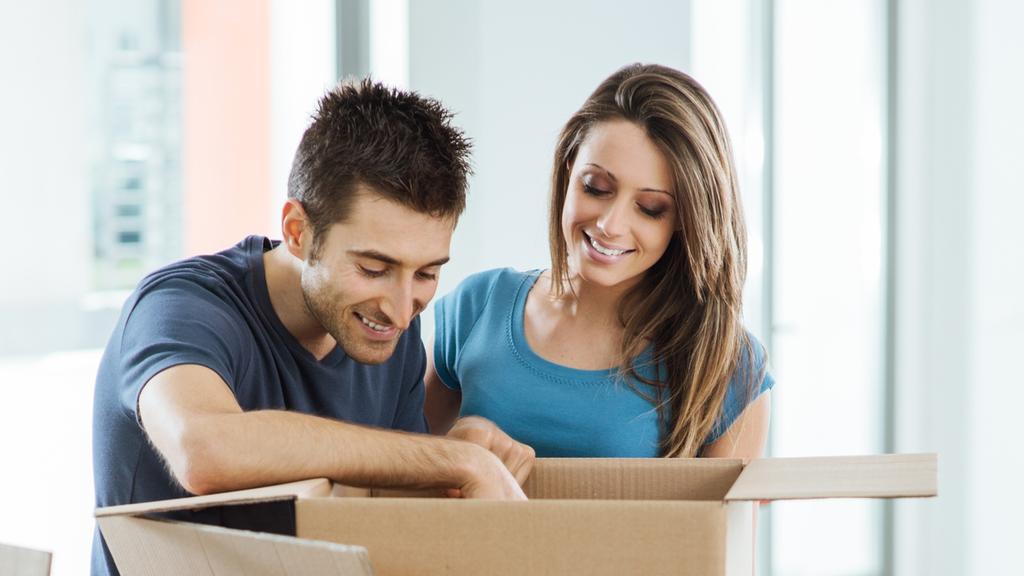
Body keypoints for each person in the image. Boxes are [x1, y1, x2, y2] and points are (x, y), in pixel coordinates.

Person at [91, 79, 534, 576]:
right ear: (299, 232)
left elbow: (390, 511)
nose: (401, 306)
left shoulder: (394, 336)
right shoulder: (181, 307)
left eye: (427, 273)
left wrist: (454, 447)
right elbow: (204, 449)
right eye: (373, 269)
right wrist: (456, 463)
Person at [426, 64, 774, 459]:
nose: (610, 225)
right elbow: (396, 477)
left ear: (684, 221)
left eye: (650, 208)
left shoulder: (725, 363)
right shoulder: (478, 307)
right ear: (568, 167)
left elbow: (725, 523)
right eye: (596, 187)